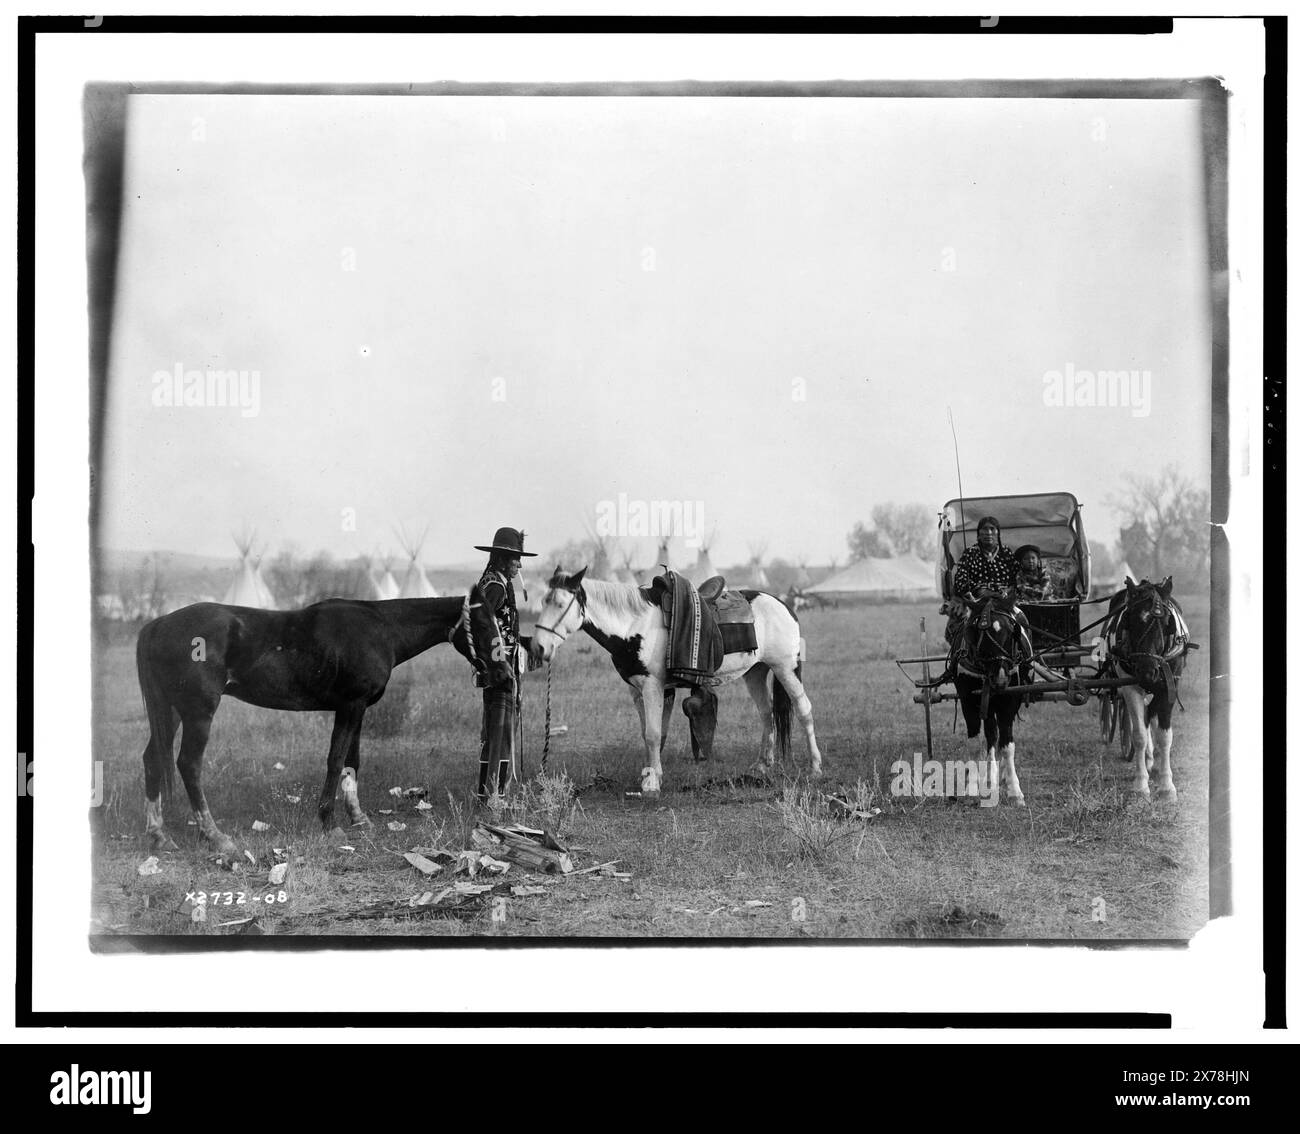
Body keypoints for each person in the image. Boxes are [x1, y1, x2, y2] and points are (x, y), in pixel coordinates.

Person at [472, 526, 537, 800]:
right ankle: (492, 798)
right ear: (501, 558)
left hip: (501, 670)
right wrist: (500, 663)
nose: (519, 564)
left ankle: (491, 794)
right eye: (515, 559)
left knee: (498, 732)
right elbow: (481, 626)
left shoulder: (494, 582)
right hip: (500, 672)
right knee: (499, 733)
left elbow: (501, 628)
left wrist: (526, 643)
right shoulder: (495, 587)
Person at [945, 515, 1021, 646]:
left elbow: (1017, 577)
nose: (988, 533)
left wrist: (1008, 590)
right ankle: (959, 656)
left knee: (1022, 621)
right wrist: (978, 590)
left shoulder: (1006, 553)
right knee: (963, 628)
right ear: (978, 534)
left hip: (1004, 601)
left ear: (998, 533)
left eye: (992, 529)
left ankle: (1025, 655)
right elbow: (960, 579)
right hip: (977, 601)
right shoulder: (970, 553)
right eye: (984, 529)